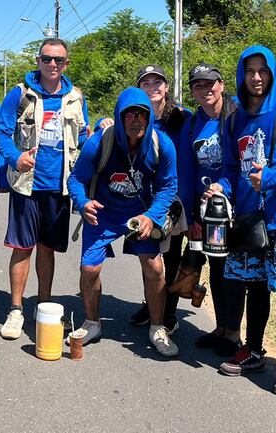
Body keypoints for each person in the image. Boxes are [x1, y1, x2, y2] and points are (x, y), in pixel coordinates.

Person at [204, 45, 276, 396]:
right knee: (252, 286)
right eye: (250, 70)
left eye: (263, 70)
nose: (256, 77)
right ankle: (253, 350)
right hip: (247, 218)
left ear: (272, 73)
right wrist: (220, 188)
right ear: (241, 74)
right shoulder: (234, 119)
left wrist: (270, 178)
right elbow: (230, 167)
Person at [68, 87, 179, 356]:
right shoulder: (99, 143)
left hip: (140, 215)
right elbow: (76, 179)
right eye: (129, 115)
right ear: (119, 116)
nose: (136, 121)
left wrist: (151, 216)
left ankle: (157, 327)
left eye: (141, 115)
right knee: (89, 269)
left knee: (155, 268)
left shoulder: (162, 144)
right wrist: (83, 203)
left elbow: (168, 186)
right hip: (103, 214)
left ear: (149, 117)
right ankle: (92, 322)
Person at [0, 38, 88, 339]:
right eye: (47, 59)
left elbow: (82, 139)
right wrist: (15, 157)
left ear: (66, 64)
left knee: (47, 249)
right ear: (38, 61)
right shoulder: (21, 93)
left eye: (58, 60)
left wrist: (99, 130)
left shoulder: (75, 97)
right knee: (22, 248)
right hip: (27, 186)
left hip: (59, 188)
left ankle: (43, 306)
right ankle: (16, 310)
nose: (52, 64)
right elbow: (1, 132)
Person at [126, 64, 191, 335]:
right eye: (146, 83)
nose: (152, 88)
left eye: (157, 83)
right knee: (148, 256)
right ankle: (150, 304)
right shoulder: (137, 117)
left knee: (171, 258)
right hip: (145, 199)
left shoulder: (182, 118)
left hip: (175, 199)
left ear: (166, 87)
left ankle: (169, 313)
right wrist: (101, 122)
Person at [179, 63, 239, 356]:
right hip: (208, 213)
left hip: (237, 208)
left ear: (222, 84)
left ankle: (234, 334)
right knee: (216, 266)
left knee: (235, 270)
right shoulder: (192, 124)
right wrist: (191, 214)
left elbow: (242, 161)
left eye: (210, 83)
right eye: (198, 86)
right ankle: (221, 328)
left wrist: (223, 186)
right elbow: (186, 171)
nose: (205, 90)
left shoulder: (238, 116)